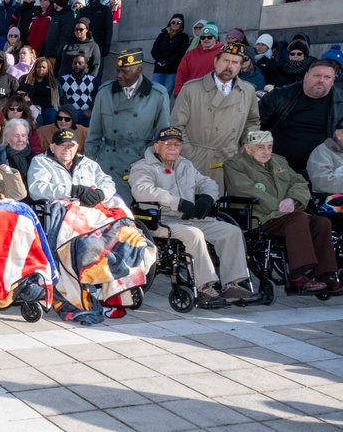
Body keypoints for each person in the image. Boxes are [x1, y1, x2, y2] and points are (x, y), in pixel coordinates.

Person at [129, 127, 255, 305]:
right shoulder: (143, 167)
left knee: (230, 231)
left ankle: (231, 284)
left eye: (177, 144)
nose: (173, 148)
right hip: (161, 220)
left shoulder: (185, 165)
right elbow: (142, 190)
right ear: (156, 146)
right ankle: (205, 287)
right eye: (168, 144)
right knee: (194, 234)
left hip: (189, 218)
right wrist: (177, 202)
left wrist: (206, 198)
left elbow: (208, 183)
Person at [224, 131, 339, 293]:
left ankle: (325, 276)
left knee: (321, 222)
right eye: (261, 147)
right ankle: (297, 277)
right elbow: (244, 189)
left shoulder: (279, 161)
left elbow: (300, 182)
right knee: (298, 219)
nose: (266, 151)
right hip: (260, 217)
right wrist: (279, 205)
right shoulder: (235, 164)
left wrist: (292, 199)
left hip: (287, 216)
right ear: (248, 149)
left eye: (269, 147)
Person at [171, 42, 259, 191]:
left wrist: (247, 142)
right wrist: (189, 152)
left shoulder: (248, 91)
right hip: (196, 159)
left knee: (223, 207)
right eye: (225, 60)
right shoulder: (191, 88)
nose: (229, 66)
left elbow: (252, 121)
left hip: (229, 159)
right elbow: (176, 125)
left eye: (235, 62)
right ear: (215, 61)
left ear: (240, 66)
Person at [87, 49, 170, 202]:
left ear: (139, 70)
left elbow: (161, 139)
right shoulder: (105, 93)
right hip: (107, 163)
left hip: (137, 163)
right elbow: (93, 135)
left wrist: (153, 168)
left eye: (125, 71)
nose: (119, 75)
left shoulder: (157, 95)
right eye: (118, 70)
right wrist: (90, 167)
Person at [259, 59, 343, 171]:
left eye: (327, 77)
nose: (321, 80)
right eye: (317, 75)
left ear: (333, 81)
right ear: (306, 76)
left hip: (322, 169)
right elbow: (255, 122)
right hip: (278, 166)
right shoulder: (280, 95)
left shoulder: (340, 102)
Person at [29, 127, 115, 205]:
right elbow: (36, 190)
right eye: (62, 145)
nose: (67, 149)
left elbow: (108, 183)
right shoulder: (41, 161)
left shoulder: (89, 164)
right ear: (52, 147)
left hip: (91, 213)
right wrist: (73, 191)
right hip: (60, 215)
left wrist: (101, 194)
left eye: (71, 145)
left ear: (76, 147)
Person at [174, 21, 223, 97]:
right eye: (203, 37)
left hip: (215, 94)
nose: (206, 39)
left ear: (215, 38)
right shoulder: (190, 54)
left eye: (209, 37)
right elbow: (181, 74)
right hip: (193, 94)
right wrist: (178, 92)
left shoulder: (224, 53)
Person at [150, 13, 191, 97]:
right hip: (159, 69)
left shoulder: (184, 37)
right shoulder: (162, 36)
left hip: (172, 70)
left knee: (166, 93)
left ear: (182, 24)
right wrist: (161, 60)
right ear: (170, 23)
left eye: (178, 23)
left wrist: (169, 62)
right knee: (154, 91)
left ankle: (163, 109)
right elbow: (154, 50)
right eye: (173, 22)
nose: (175, 24)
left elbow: (181, 52)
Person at [57, 52, 99, 126]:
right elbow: (57, 97)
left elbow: (97, 97)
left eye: (80, 63)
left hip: (86, 113)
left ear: (86, 65)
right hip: (67, 113)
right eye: (75, 63)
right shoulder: (62, 79)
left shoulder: (93, 80)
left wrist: (90, 110)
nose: (77, 65)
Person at [77, 0, 113, 65]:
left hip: (99, 44)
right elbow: (76, 27)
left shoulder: (105, 10)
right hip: (84, 44)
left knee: (97, 70)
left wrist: (107, 44)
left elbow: (109, 28)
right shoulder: (83, 11)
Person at [41, 0, 75, 68]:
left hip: (56, 56)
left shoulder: (67, 16)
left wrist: (57, 52)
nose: (53, 4)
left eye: (55, 2)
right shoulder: (56, 15)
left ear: (58, 3)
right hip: (48, 54)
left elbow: (66, 36)